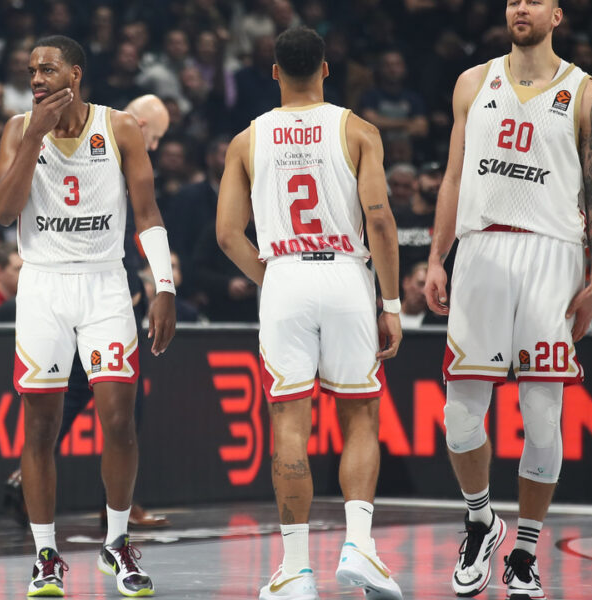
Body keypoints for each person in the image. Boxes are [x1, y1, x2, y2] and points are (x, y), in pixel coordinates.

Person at [422, 0, 592, 597]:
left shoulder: (587, 93)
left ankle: (525, 551)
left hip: (553, 253)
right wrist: (435, 256)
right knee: (459, 419)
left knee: (541, 416)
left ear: (558, 14)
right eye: (512, 0)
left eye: (532, 0)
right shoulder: (472, 81)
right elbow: (454, 176)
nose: (519, 7)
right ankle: (481, 521)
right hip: (480, 249)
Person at [217, 26, 403, 600]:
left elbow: (227, 235)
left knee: (290, 424)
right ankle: (360, 547)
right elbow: (381, 222)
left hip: (286, 276)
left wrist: (272, 278)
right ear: (327, 69)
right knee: (360, 417)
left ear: (274, 72)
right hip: (347, 274)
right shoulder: (358, 129)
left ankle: (296, 568)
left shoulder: (247, 140)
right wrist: (391, 304)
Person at [0, 35, 175, 597]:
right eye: (30, 71)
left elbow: (146, 212)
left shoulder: (119, 128)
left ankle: (116, 543)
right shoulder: (19, 130)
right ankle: (45, 555)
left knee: (118, 419)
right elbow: (2, 211)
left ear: (76, 72)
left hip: (105, 284)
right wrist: (33, 140)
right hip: (43, 285)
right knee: (41, 428)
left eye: (47, 68)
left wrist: (162, 284)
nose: (37, 77)